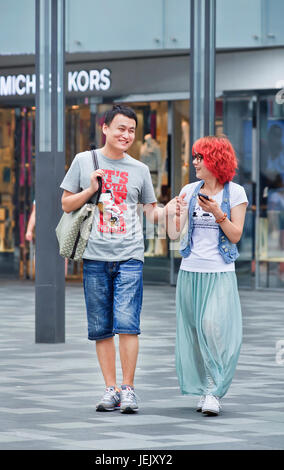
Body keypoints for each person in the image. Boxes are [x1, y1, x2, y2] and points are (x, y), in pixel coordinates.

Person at [60, 105, 176, 414]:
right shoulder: (84, 161)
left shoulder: (139, 169)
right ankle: (109, 389)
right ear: (105, 128)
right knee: (101, 327)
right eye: (121, 128)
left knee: (128, 324)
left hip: (130, 256)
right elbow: (66, 203)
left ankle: (128, 390)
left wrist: (170, 210)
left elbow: (152, 210)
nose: (126, 135)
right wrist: (91, 189)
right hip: (95, 256)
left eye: (131, 131)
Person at [168, 135, 248, 416]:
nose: (194, 162)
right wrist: (175, 214)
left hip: (220, 273)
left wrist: (217, 213)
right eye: (195, 157)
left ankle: (215, 389)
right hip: (190, 271)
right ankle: (205, 388)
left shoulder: (234, 193)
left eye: (200, 157)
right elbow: (174, 233)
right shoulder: (189, 190)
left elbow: (236, 235)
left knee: (211, 326)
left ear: (215, 159)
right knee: (193, 331)